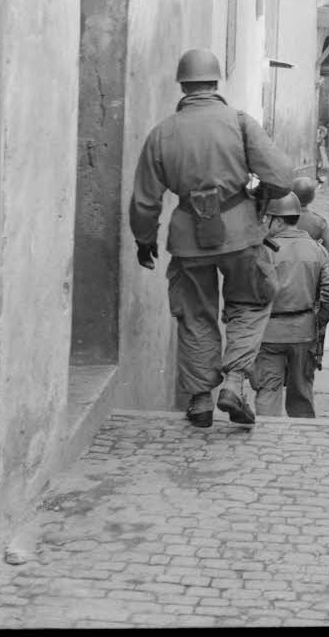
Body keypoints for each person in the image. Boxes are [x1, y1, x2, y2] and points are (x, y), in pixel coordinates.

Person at [129, 48, 295, 429]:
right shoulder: (239, 123)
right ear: (216, 82)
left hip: (188, 237)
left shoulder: (162, 133)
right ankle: (235, 382)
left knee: (194, 313)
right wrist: (259, 191)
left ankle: (201, 398)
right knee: (250, 303)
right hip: (239, 232)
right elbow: (282, 177)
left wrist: (144, 240)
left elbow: (144, 200)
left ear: (182, 85)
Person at [249, 189, 329, 418]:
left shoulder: (262, 251)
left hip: (269, 333)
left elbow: (247, 292)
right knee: (301, 392)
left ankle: (265, 439)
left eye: (267, 218)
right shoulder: (316, 249)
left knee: (267, 389)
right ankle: (301, 439)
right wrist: (316, 319)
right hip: (304, 333)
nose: (265, 223)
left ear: (278, 220)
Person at [267, 175, 329, 266]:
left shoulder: (277, 218)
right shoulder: (319, 222)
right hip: (307, 270)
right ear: (312, 197)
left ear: (291, 193)